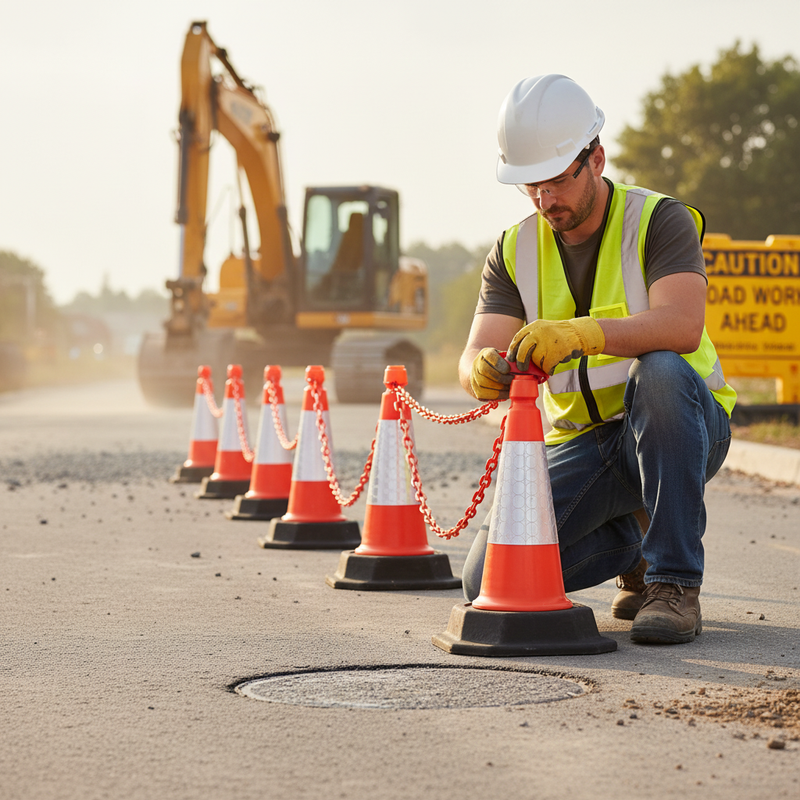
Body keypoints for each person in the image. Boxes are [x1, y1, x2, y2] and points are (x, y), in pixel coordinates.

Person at [459, 74, 737, 645]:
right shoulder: (514, 251)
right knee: (487, 578)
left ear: (597, 159)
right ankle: (633, 544)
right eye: (530, 186)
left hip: (680, 426)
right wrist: (481, 369)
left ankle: (673, 583)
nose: (545, 200)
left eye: (557, 180)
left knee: (658, 371)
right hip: (589, 447)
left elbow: (683, 326)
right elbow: (472, 354)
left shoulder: (660, 220)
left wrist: (585, 333)